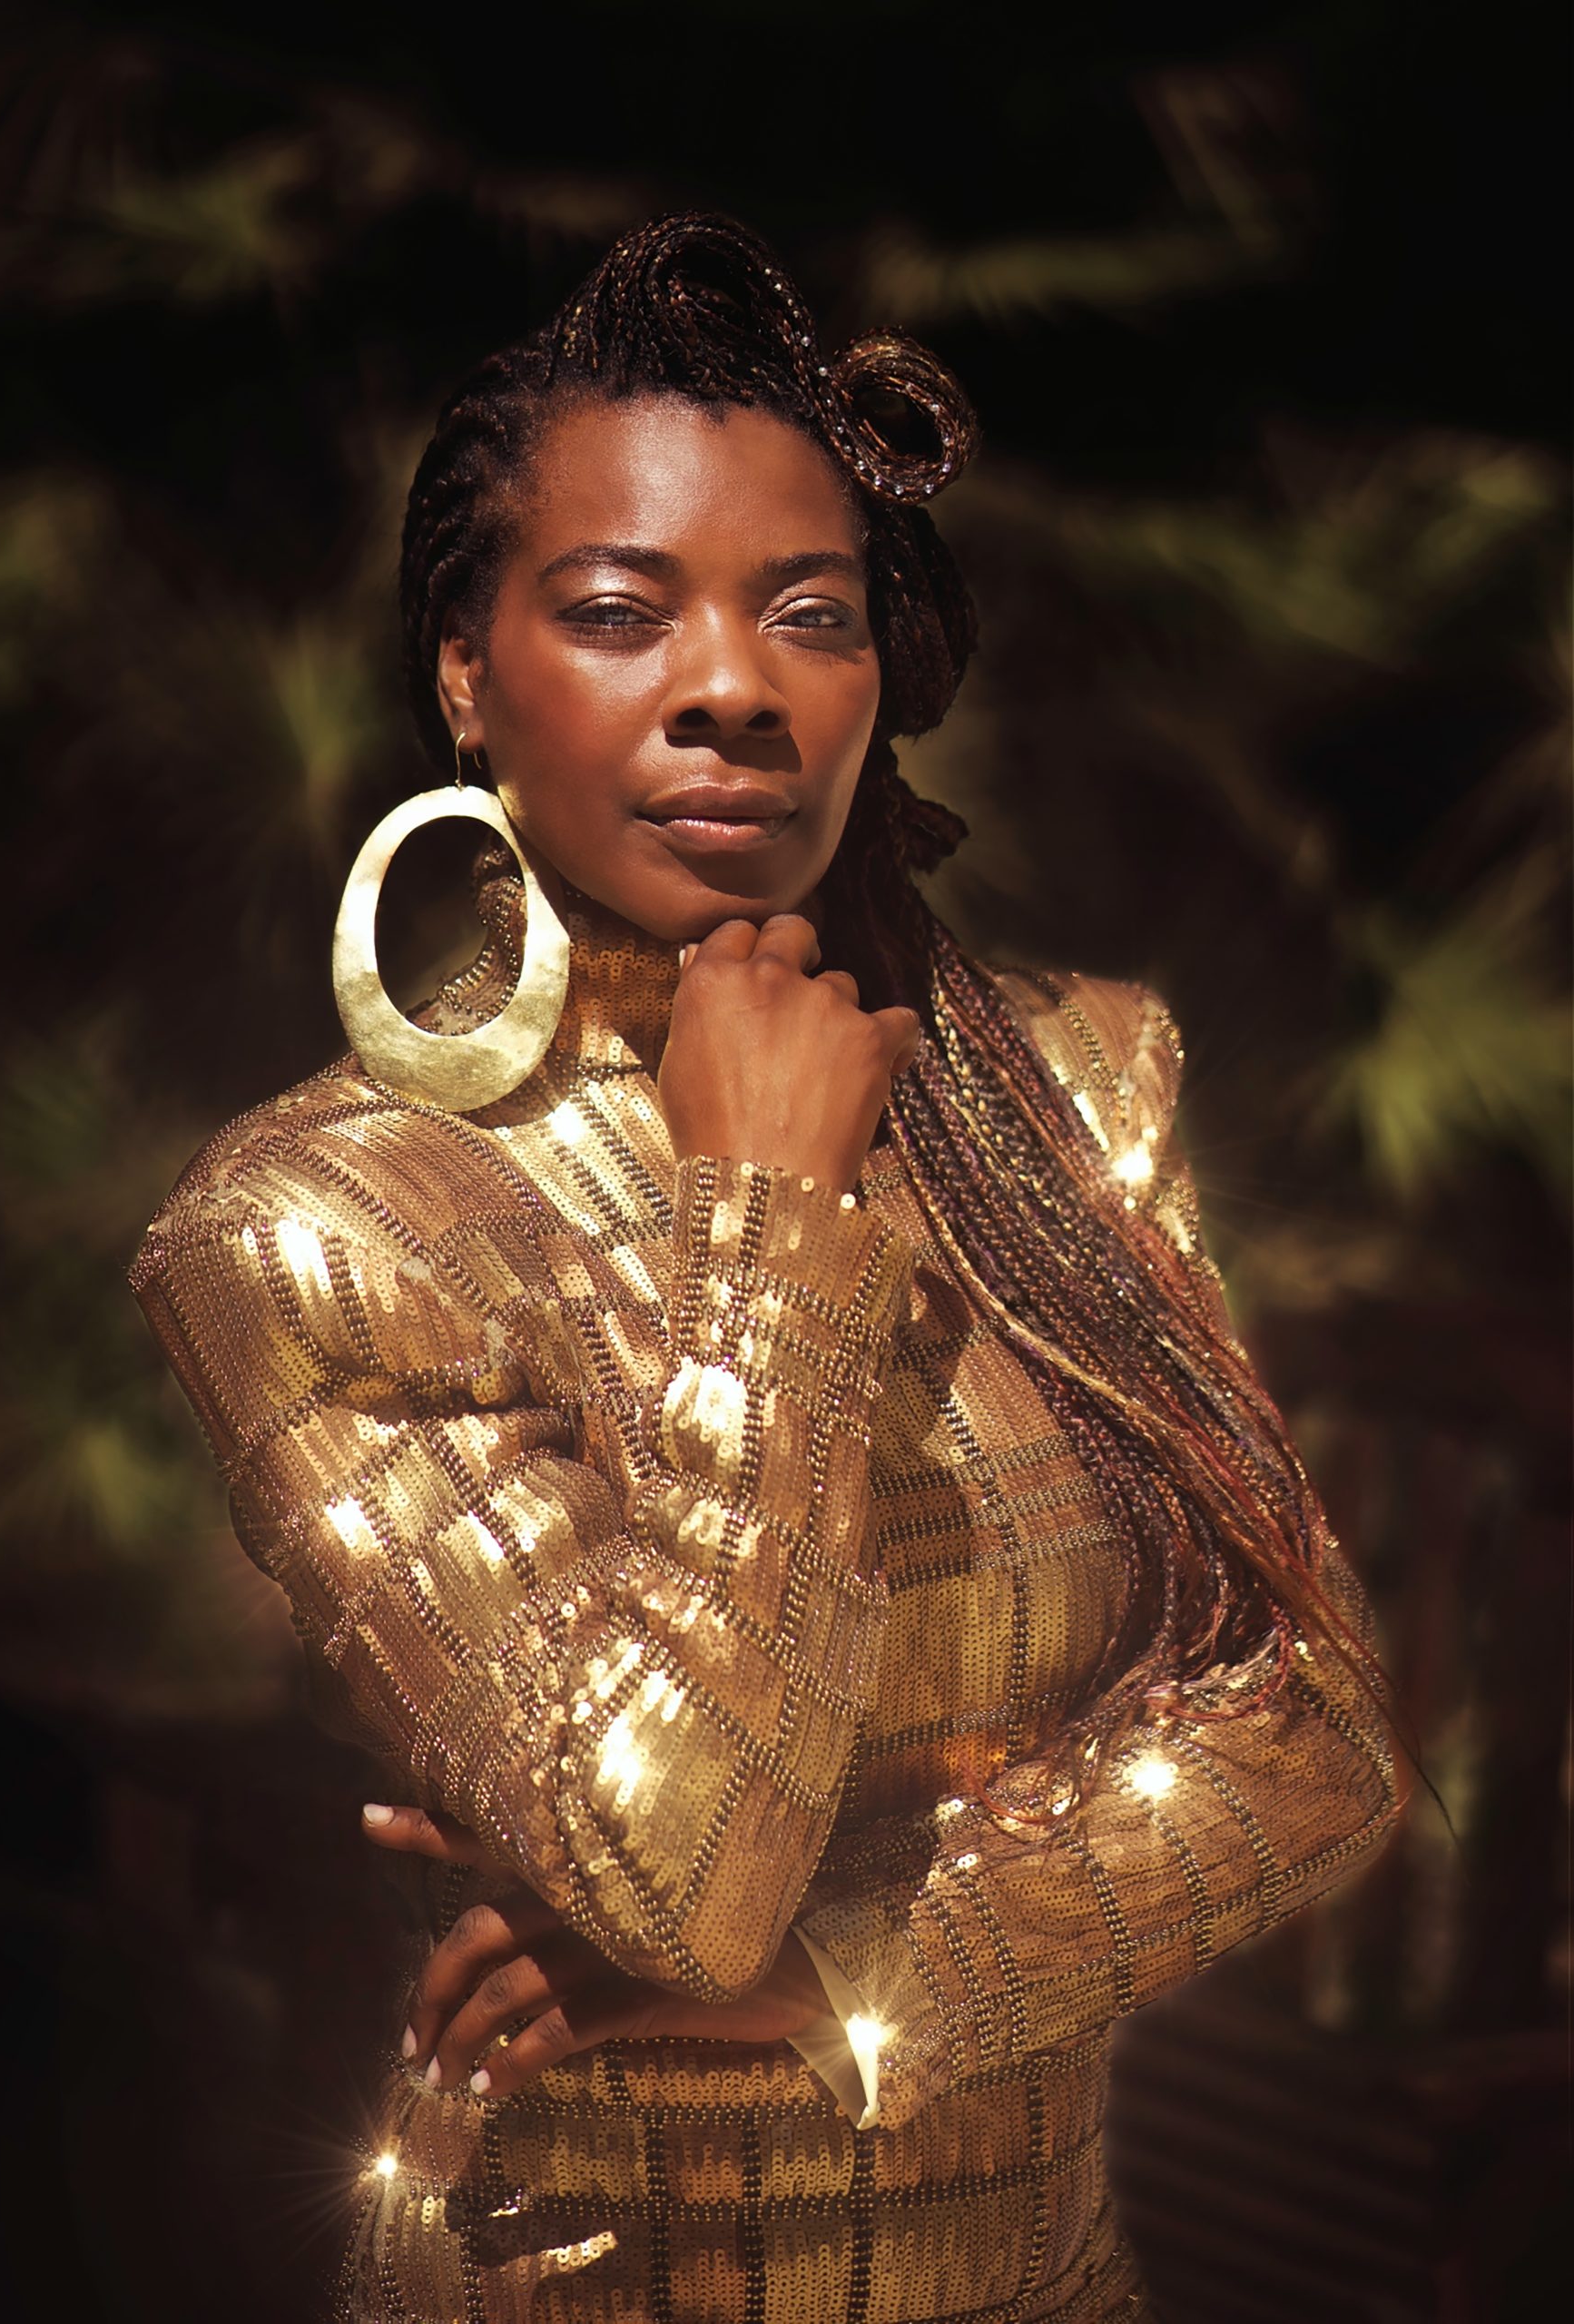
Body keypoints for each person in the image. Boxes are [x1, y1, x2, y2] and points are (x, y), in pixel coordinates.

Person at [129, 213, 1404, 2324]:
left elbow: (1320, 1732)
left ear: (879, 673)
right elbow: (680, 1876)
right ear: (465, 671)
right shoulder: (316, 1227)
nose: (732, 687)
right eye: (618, 611)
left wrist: (846, 1976)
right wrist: (766, 1221)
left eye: (810, 613)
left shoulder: (1073, 1086)